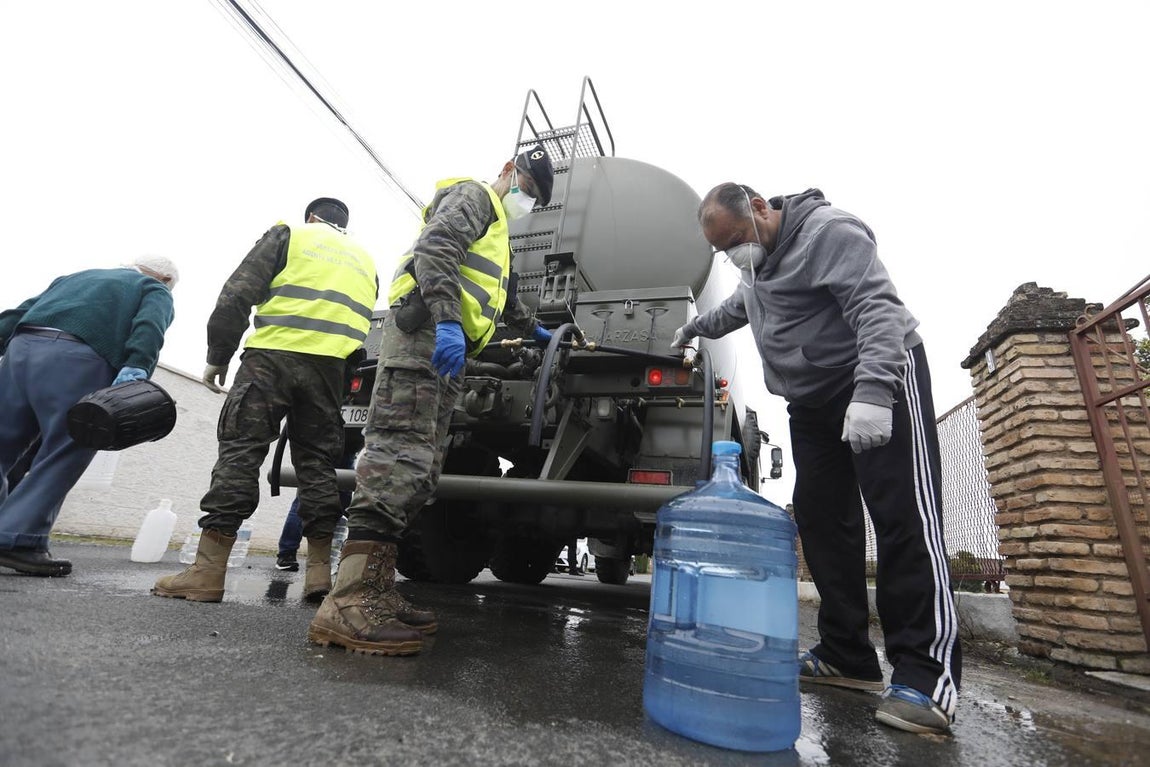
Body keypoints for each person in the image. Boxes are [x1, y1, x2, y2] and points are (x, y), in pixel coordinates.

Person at [672, 184, 961, 736]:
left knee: (902, 514)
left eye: (736, 240)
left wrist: (873, 392)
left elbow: (878, 310)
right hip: (811, 401)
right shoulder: (756, 268)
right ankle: (847, 654)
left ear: (760, 208)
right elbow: (738, 309)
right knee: (822, 519)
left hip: (875, 377)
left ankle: (926, 676)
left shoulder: (829, 233)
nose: (735, 255)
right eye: (724, 250)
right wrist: (691, 328)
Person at [307, 146, 555, 656]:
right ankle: (348, 601)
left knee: (419, 468)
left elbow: (499, 297)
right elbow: (436, 249)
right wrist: (446, 320)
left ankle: (376, 590)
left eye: (534, 197)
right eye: (527, 188)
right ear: (509, 171)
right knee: (397, 457)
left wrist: (535, 329)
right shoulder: (476, 196)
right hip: (424, 337)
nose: (526, 200)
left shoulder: (498, 233)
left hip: (443, 353)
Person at [153, 197, 378, 604]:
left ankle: (208, 572)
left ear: (312, 217)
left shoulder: (291, 234)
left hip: (271, 360)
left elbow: (236, 295)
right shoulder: (365, 259)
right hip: (331, 372)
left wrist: (218, 355)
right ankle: (318, 574)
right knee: (318, 465)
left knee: (241, 452)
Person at [0, 256, 178, 576]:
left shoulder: (74, 278)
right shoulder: (153, 288)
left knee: (2, 443)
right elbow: (150, 326)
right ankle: (18, 540)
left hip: (22, 348)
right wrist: (137, 366)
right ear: (165, 279)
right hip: (78, 357)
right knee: (69, 445)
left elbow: (19, 312)